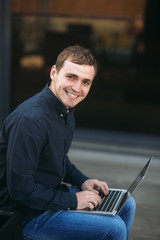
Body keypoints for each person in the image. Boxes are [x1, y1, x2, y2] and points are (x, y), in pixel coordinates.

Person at [0, 45, 135, 240]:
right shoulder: (30, 120)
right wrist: (73, 200)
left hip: (47, 195)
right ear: (54, 72)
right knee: (114, 228)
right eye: (71, 77)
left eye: (85, 82)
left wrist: (83, 181)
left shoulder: (64, 110)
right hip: (23, 215)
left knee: (126, 203)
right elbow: (21, 190)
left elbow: (58, 159)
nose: (77, 89)